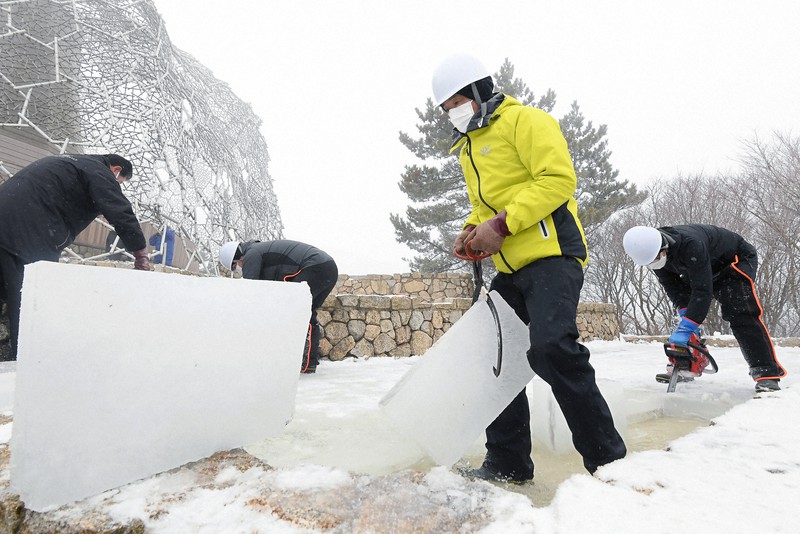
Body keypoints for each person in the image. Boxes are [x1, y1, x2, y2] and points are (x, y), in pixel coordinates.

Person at [431, 53, 626, 482]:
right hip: (511, 266)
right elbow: (483, 205)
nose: (453, 114)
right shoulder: (468, 148)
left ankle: (610, 463)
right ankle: (508, 463)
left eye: (458, 102)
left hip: (553, 254)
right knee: (491, 358)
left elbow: (557, 181)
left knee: (552, 347)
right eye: (446, 109)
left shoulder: (528, 121)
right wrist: (471, 230)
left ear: (481, 91)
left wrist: (501, 225)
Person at [0, 153, 150, 361]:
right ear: (116, 170)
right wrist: (140, 252)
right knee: (29, 303)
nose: (117, 185)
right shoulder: (99, 171)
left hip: (10, 224)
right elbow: (119, 210)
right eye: (120, 182)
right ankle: (24, 366)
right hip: (24, 237)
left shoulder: (69, 161)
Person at [622, 224, 787, 392]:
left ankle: (767, 373)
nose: (655, 264)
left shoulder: (691, 244)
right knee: (682, 316)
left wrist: (690, 324)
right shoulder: (652, 255)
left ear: (663, 246)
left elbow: (703, 291)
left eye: (656, 259)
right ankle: (687, 363)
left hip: (731, 262)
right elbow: (673, 288)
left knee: (739, 312)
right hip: (698, 267)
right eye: (651, 262)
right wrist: (684, 314)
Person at [218, 239, 338, 374]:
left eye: (236, 265)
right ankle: (308, 363)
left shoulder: (251, 254)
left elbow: (251, 291)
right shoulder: (260, 251)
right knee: (306, 314)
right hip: (328, 269)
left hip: (315, 267)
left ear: (238, 256)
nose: (240, 267)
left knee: (295, 312)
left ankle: (301, 361)